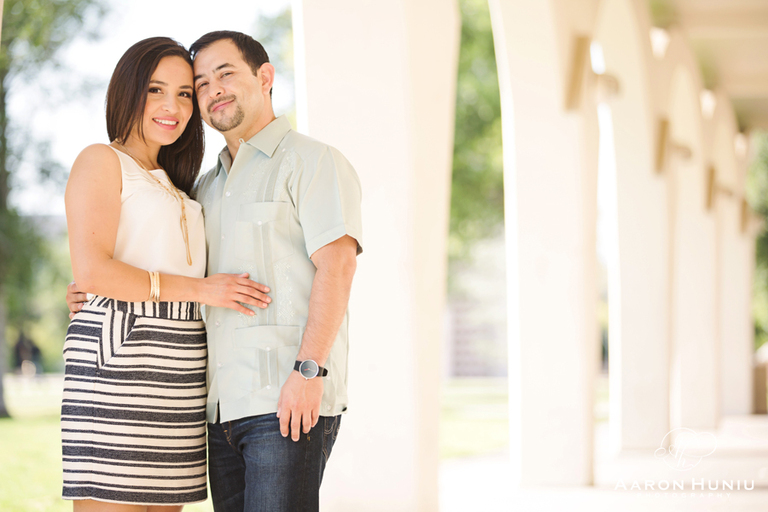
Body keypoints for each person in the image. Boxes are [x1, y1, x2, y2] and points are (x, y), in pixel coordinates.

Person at [69, 31, 363, 511]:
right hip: (210, 405)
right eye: (200, 83)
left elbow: (339, 267)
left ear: (265, 77)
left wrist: (309, 371)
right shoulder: (204, 188)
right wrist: (91, 289)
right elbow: (118, 262)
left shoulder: (312, 161)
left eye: (223, 74)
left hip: (281, 396)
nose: (209, 92)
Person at [61, 37, 271, 511]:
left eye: (183, 93)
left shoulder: (180, 184)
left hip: (181, 370)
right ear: (127, 92)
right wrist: (202, 290)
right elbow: (92, 270)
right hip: (123, 360)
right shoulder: (101, 159)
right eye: (155, 89)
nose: (171, 106)